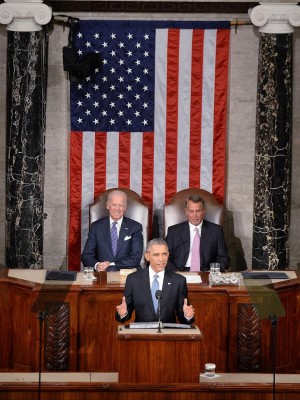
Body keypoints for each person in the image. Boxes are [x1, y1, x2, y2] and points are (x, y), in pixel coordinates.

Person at [115, 238, 195, 324]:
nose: (161, 259)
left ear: (168, 254)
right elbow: (124, 314)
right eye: (156, 255)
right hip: (142, 334)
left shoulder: (178, 281)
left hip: (168, 333)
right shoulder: (133, 279)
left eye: (164, 254)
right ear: (147, 256)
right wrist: (123, 313)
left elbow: (182, 316)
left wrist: (187, 316)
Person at [81, 189, 143, 271]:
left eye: (121, 205)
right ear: (107, 205)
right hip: (102, 274)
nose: (117, 209)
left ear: (125, 207)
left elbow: (136, 258)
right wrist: (97, 265)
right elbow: (86, 255)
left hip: (128, 274)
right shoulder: (96, 227)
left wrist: (111, 265)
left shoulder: (135, 227)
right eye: (114, 205)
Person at [165, 194, 230, 272]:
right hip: (180, 272)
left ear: (203, 211)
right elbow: (165, 257)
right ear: (186, 211)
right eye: (191, 211)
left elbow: (224, 258)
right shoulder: (173, 232)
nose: (194, 215)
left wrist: (212, 272)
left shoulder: (216, 231)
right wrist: (176, 273)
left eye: (198, 211)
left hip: (206, 272)